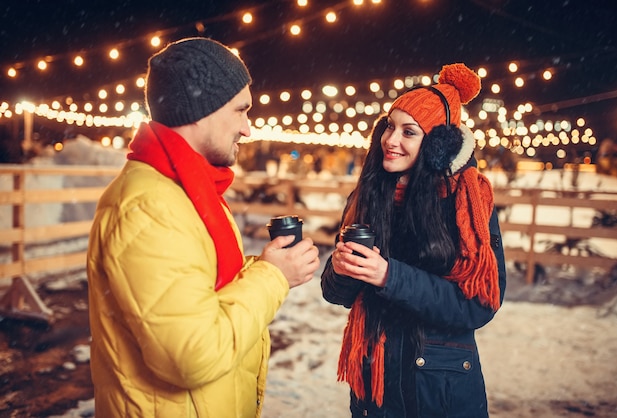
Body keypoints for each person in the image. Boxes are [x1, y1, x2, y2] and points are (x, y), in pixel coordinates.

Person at [86, 37, 320, 418]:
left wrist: (261, 266)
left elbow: (199, 284)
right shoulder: (149, 207)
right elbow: (192, 356)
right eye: (241, 110)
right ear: (200, 108)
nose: (248, 128)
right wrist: (272, 277)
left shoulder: (186, 189)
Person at [321, 63, 506, 417]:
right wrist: (344, 268)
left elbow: (478, 305)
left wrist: (390, 276)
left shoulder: (465, 203)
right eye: (390, 127)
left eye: (409, 132)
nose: (390, 140)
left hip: (438, 393)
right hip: (373, 389)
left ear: (438, 145)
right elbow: (334, 292)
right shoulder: (369, 195)